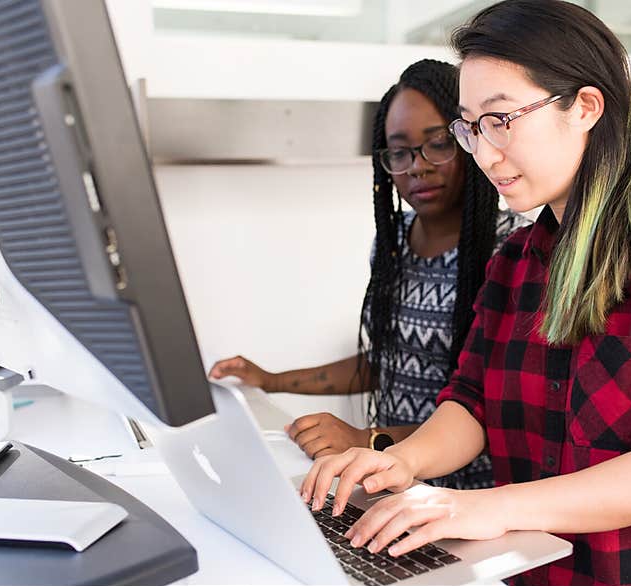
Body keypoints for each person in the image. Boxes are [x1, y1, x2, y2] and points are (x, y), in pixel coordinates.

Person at [299, 0, 631, 586]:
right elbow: (472, 401)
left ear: (585, 107)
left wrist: (481, 506)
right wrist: (399, 461)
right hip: (541, 574)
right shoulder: (516, 260)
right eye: (472, 125)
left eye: (501, 118)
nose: (484, 152)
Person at [209, 59, 527, 490]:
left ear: (469, 139)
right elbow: (385, 361)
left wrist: (368, 441)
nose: (417, 166)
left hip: (471, 498)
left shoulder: (512, 250)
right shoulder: (393, 242)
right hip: (395, 484)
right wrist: (271, 380)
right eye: (399, 152)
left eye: (437, 144)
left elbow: (493, 414)